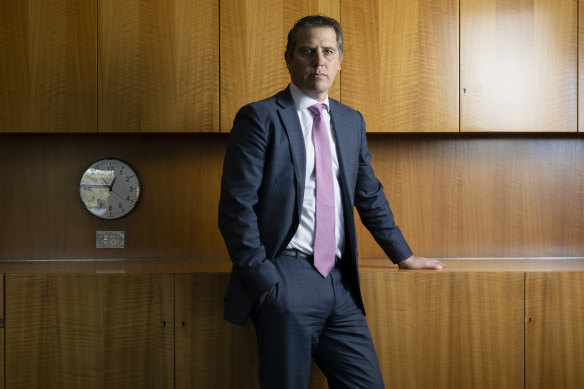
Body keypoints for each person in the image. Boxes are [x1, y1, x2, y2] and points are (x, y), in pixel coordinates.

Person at [218, 14, 446, 389]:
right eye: (307, 51)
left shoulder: (350, 121)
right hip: (284, 277)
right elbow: (235, 207)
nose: (318, 61)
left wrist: (402, 255)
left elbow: (368, 194)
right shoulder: (260, 118)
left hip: (341, 283)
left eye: (327, 51)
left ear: (340, 59)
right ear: (289, 58)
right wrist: (263, 283)